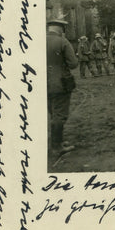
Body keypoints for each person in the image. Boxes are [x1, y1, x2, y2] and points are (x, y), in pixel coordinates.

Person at [47, 13, 78, 160]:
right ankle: (56, 147)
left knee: (53, 113)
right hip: (60, 84)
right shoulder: (62, 42)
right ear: (60, 29)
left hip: (44, 84)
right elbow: (73, 64)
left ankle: (56, 142)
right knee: (59, 115)